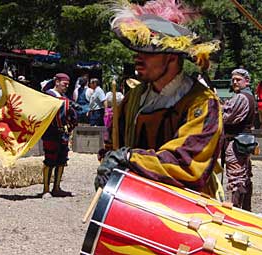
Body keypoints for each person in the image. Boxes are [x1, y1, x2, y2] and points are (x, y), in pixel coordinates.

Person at [95, 0, 224, 199]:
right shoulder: (134, 98)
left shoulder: (203, 103)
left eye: (147, 52)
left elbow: (186, 163)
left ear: (172, 57)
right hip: (136, 201)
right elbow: (113, 144)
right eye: (137, 51)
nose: (138, 58)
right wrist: (108, 165)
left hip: (188, 211)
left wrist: (130, 158)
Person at [222, 68, 255, 211]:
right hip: (244, 141)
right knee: (245, 176)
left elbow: (227, 117)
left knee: (237, 179)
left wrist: (218, 108)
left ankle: (237, 210)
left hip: (236, 142)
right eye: (233, 79)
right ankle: (246, 209)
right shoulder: (250, 96)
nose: (235, 82)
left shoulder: (241, 97)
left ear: (246, 81)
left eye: (238, 79)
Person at [41, 73, 78, 198]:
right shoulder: (49, 95)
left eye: (68, 85)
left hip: (63, 133)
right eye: (64, 84)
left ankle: (56, 188)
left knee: (62, 159)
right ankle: (46, 189)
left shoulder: (64, 97)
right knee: (50, 159)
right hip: (50, 132)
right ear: (57, 82)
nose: (66, 87)